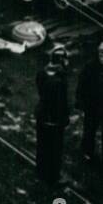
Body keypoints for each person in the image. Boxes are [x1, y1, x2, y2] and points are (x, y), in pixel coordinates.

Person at [35, 46, 70, 187]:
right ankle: (53, 176)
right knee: (54, 149)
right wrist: (64, 119)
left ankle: (41, 171)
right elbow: (61, 104)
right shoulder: (59, 82)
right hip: (54, 121)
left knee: (42, 146)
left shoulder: (42, 74)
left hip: (42, 116)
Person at [77, 37, 103, 171]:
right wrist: (80, 102)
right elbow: (82, 85)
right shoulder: (90, 66)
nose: (101, 55)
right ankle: (87, 153)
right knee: (89, 131)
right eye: (99, 52)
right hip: (92, 106)